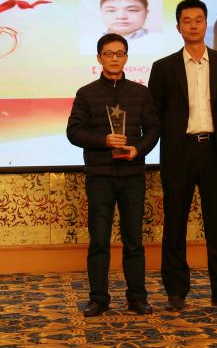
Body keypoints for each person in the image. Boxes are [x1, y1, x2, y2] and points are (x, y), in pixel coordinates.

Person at [148, 0, 217, 311]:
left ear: (206, 24)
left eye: (198, 19)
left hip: (214, 150)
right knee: (175, 223)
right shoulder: (163, 67)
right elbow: (155, 114)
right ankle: (176, 292)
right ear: (178, 27)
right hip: (179, 152)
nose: (193, 25)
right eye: (186, 20)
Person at [66, 33, 160, 317]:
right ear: (99, 58)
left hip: (132, 175)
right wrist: (103, 140)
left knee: (134, 241)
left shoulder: (141, 93)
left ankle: (137, 298)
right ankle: (98, 298)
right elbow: (73, 132)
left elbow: (153, 129)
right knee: (99, 242)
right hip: (100, 176)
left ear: (126, 58)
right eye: (109, 54)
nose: (114, 58)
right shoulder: (86, 94)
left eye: (120, 53)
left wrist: (138, 149)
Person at [80, 0, 163, 55]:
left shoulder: (159, 40)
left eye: (132, 10)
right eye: (111, 10)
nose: (121, 16)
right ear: (101, 13)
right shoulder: (86, 42)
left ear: (146, 13)